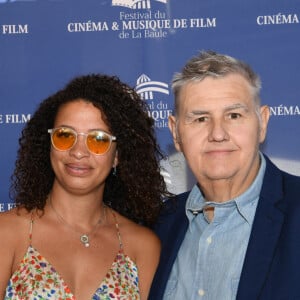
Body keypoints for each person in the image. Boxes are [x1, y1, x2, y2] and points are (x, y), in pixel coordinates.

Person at [0, 74, 169, 300]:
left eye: (98, 139)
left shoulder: (142, 246)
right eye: (64, 136)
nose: (78, 151)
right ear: (48, 145)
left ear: (117, 155)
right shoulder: (7, 232)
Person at [149, 50, 300, 300]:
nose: (218, 134)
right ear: (175, 133)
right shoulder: (158, 225)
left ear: (262, 123)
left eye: (233, 115)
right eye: (200, 119)